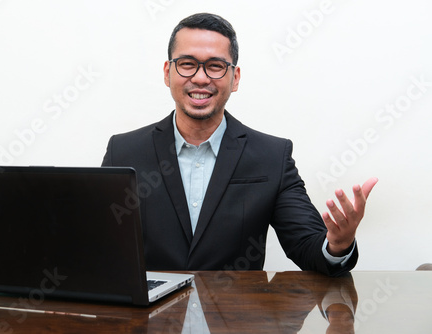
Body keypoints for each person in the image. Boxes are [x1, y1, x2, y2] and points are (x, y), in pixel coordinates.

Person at [102, 13, 378, 276]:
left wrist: (337, 245)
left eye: (215, 66)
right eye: (187, 63)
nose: (200, 77)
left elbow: (307, 247)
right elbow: (102, 245)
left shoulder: (272, 157)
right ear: (168, 73)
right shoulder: (123, 151)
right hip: (150, 321)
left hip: (235, 319)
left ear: (234, 78)